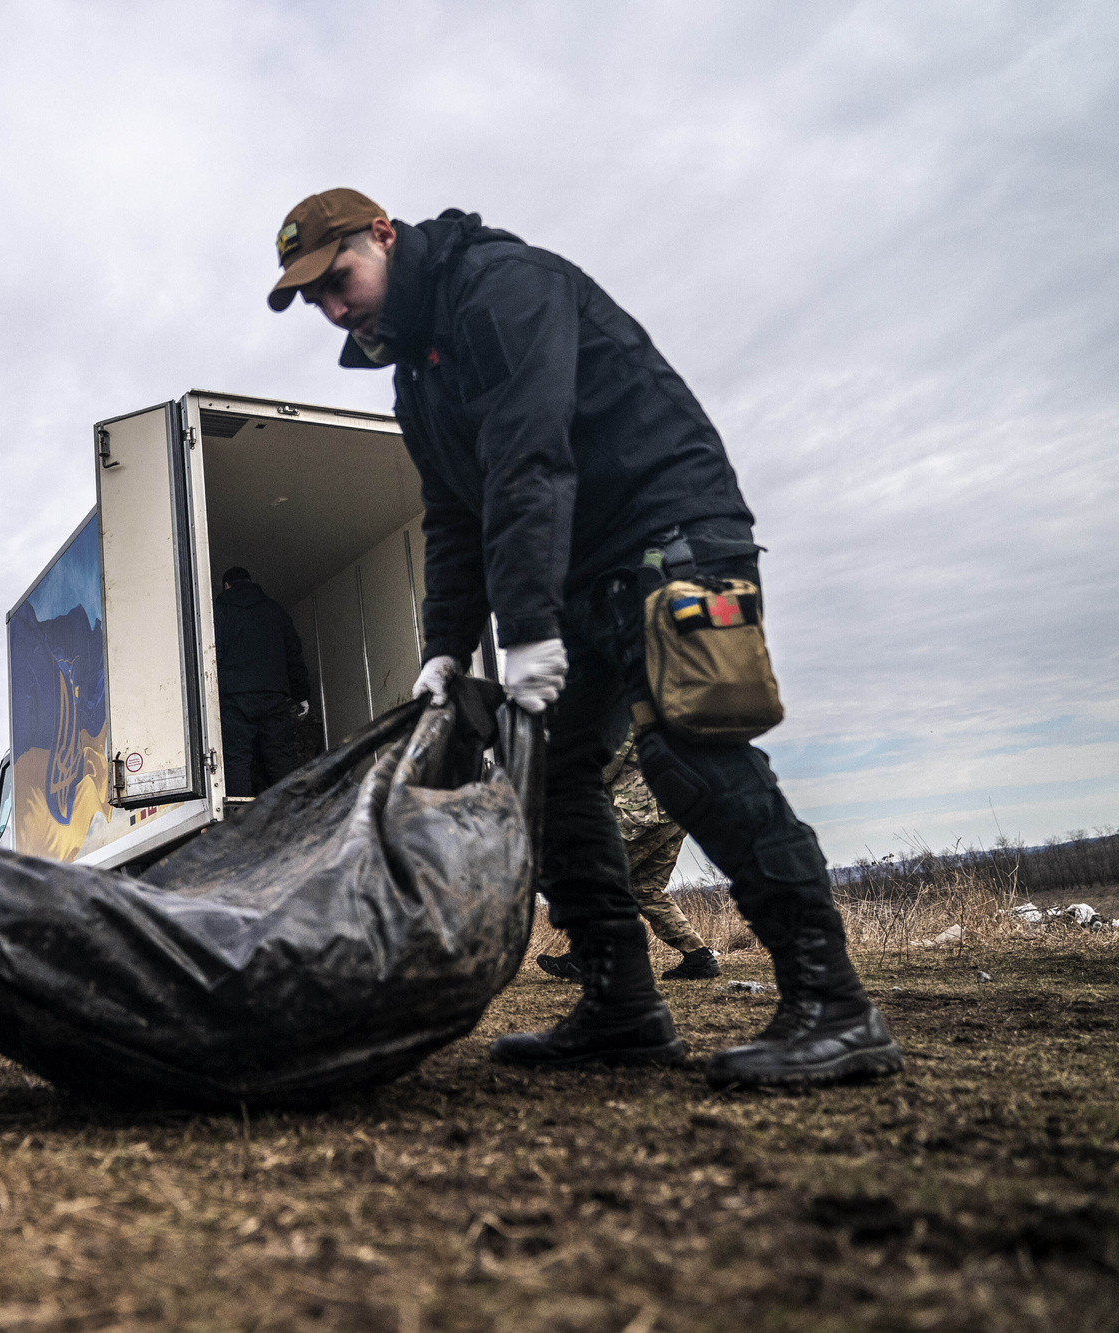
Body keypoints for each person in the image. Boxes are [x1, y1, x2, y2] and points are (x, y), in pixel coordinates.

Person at [267, 189, 900, 1089]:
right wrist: (443, 651)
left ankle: (834, 1004)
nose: (334, 307)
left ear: (384, 235)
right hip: (574, 566)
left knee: (690, 750)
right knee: (549, 774)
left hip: (669, 531)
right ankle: (621, 1003)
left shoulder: (503, 287)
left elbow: (532, 458)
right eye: (315, 301)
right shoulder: (418, 374)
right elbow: (453, 514)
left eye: (338, 280)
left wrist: (524, 629)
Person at [537, 722, 721, 983]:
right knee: (645, 888)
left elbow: (602, 769)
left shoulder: (623, 720)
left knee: (596, 877)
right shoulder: (662, 718)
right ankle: (699, 957)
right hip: (676, 813)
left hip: (641, 815)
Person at [212, 567, 311, 798]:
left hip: (236, 696)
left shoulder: (220, 611)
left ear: (226, 585)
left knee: (237, 757)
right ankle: (289, 807)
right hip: (273, 695)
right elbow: (293, 655)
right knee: (278, 754)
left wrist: (213, 693)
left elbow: (214, 655)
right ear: (250, 582)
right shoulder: (276, 611)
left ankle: (240, 814)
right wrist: (301, 694)